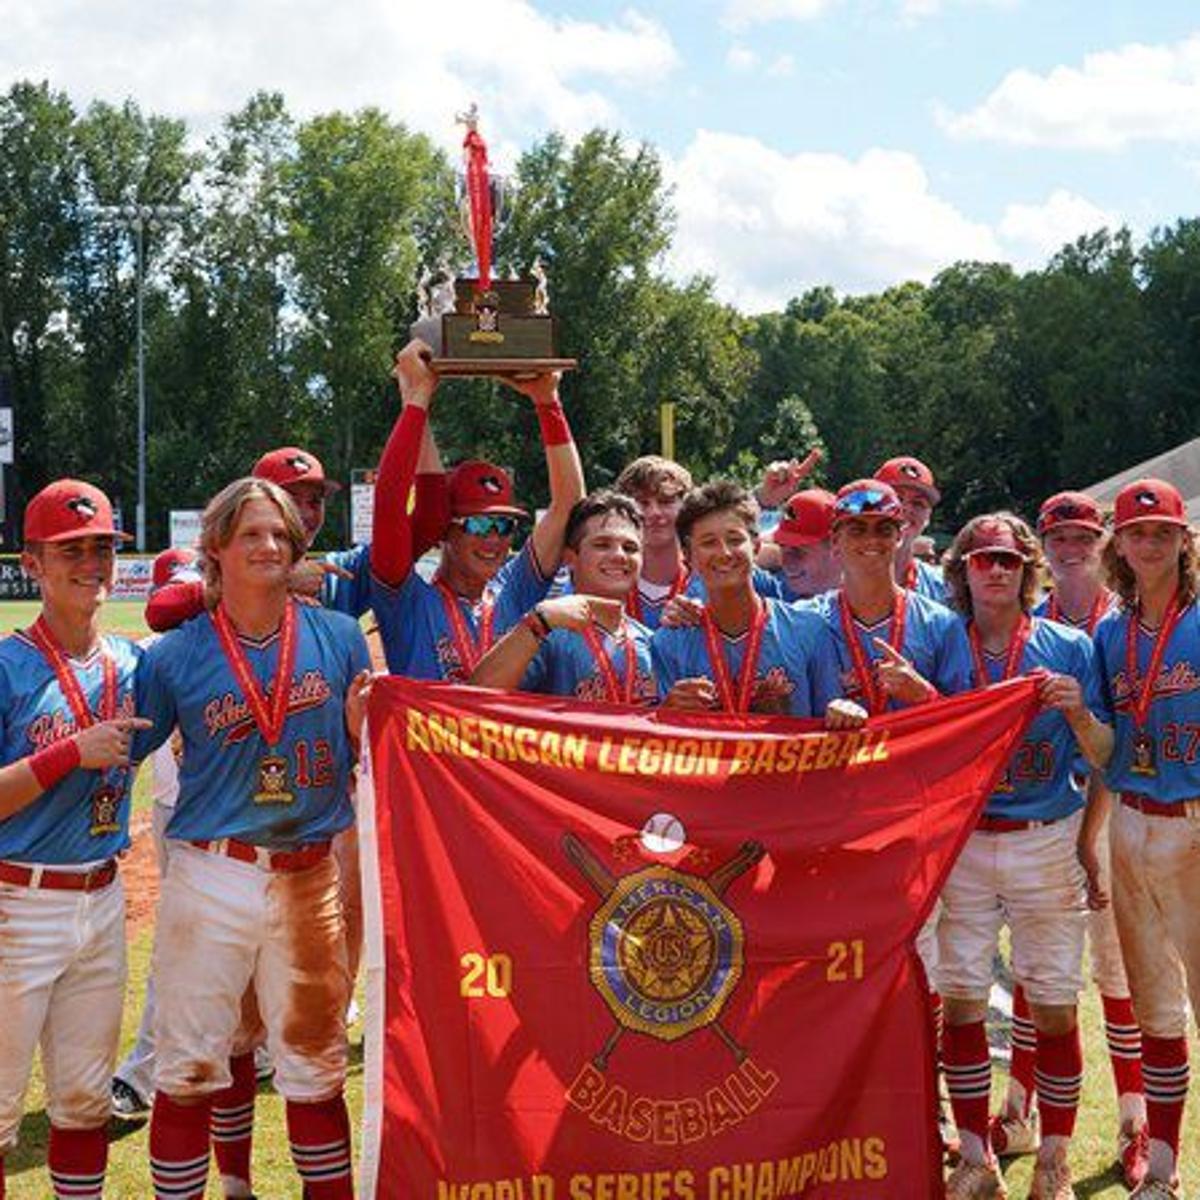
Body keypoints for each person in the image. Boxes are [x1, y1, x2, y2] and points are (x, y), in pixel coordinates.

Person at [137, 477, 370, 1200]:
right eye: (250, 535)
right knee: (187, 1069)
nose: (269, 545)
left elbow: (365, 745)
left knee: (315, 1068)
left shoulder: (335, 635)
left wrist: (362, 723)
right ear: (216, 550)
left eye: (279, 534)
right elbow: (122, 747)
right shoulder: (175, 654)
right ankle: (223, 1187)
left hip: (309, 874)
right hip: (212, 873)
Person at [938, 514, 1113, 1200]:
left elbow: (1105, 755)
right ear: (964, 570)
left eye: (1009, 561)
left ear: (1028, 569)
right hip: (969, 838)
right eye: (983, 560)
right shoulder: (940, 642)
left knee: (1055, 1004)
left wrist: (1075, 713)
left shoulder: (1069, 645)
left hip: (1046, 832)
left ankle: (1054, 1160)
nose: (997, 572)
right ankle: (977, 1156)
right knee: (961, 1002)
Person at [0, 479, 153, 1200]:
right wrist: (69, 752)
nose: (91, 562)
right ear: (33, 562)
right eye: (71, 549)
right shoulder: (7, 667)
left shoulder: (131, 663)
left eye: (101, 548)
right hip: (16, 906)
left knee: (84, 1105)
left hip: (102, 899)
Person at [992, 492, 1148, 1189]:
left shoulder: (1121, 624)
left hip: (1111, 812)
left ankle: (1133, 1120)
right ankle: (1020, 1107)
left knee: (1119, 977)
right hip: (1050, 813)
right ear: (1043, 551)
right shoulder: (1036, 622)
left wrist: (1093, 832)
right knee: (1037, 973)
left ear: (1101, 540)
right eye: (1058, 538)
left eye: (1083, 535)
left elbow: (1113, 745)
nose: (1071, 547)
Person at [1093, 478, 1200, 1200]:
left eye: (1163, 531)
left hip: (1196, 820)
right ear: (1120, 548)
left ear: (1184, 542)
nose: (1150, 543)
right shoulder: (1108, 635)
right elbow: (1104, 747)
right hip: (1131, 820)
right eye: (1137, 533)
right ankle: (1161, 1167)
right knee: (1153, 1003)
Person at [370, 340, 585, 680]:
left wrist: (548, 402)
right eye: (481, 524)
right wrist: (417, 397)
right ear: (446, 531)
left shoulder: (514, 590)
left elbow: (569, 506)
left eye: (505, 525)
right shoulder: (407, 600)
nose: (495, 539)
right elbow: (390, 505)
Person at [112, 550, 205, 1122]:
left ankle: (263, 1048)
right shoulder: (156, 651)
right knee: (180, 946)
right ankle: (140, 1072)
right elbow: (161, 609)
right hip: (181, 816)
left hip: (248, 808)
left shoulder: (234, 633)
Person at [650, 480, 858, 725]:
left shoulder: (809, 630)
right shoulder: (669, 644)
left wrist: (844, 713)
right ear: (687, 556)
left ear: (757, 546)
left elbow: (831, 719)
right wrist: (668, 711)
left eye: (735, 539)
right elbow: (661, 742)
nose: (724, 552)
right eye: (708, 543)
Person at [469, 490, 655, 703]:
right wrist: (538, 622)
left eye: (630, 548)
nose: (619, 555)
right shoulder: (547, 631)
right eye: (602, 545)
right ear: (570, 557)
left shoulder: (651, 642)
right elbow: (475, 696)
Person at [874, 455, 948, 602]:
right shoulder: (838, 579)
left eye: (918, 503)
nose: (906, 509)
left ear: (928, 517)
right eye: (896, 498)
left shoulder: (942, 588)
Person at [770, 488, 841, 601]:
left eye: (798, 550)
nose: (786, 562)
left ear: (837, 547)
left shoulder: (869, 603)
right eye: (782, 547)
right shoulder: (776, 590)